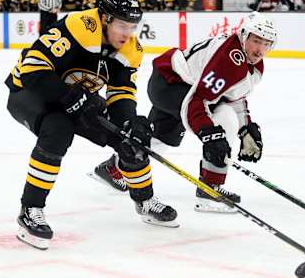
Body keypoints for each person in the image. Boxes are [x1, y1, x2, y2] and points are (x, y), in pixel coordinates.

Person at [5, 0, 177, 250]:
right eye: (122, 25)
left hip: (76, 95)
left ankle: (145, 200)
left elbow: (121, 93)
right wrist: (68, 96)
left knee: (129, 137)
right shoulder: (78, 26)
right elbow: (31, 70)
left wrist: (129, 120)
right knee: (58, 129)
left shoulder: (131, 50)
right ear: (105, 18)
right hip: (31, 91)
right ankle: (30, 209)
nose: (127, 33)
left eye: (132, 26)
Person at [92, 11, 277, 213]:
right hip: (171, 85)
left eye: (266, 43)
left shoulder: (254, 65)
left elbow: (234, 97)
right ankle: (209, 190)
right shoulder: (230, 59)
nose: (260, 49)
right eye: (256, 41)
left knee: (164, 138)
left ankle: (114, 168)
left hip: (174, 82)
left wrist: (246, 128)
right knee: (224, 119)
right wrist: (209, 133)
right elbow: (197, 101)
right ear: (243, 36)